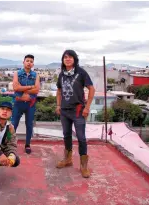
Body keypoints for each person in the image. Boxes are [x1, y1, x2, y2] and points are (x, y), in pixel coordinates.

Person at [55, 50, 95, 178]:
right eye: (65, 57)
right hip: (65, 111)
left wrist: (87, 107)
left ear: (75, 59)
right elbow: (59, 91)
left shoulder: (81, 73)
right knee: (66, 135)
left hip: (78, 111)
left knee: (81, 138)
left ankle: (84, 166)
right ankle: (68, 159)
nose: (67, 59)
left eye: (70, 57)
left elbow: (91, 89)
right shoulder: (61, 74)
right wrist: (58, 105)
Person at [11, 54, 40, 154]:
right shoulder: (17, 73)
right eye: (27, 61)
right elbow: (15, 88)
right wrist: (30, 87)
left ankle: (27, 144)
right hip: (18, 103)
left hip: (30, 104)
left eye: (31, 61)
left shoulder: (36, 75)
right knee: (14, 124)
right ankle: (10, 144)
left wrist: (22, 89)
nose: (29, 63)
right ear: (23, 62)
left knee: (29, 124)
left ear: (33, 64)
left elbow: (37, 90)